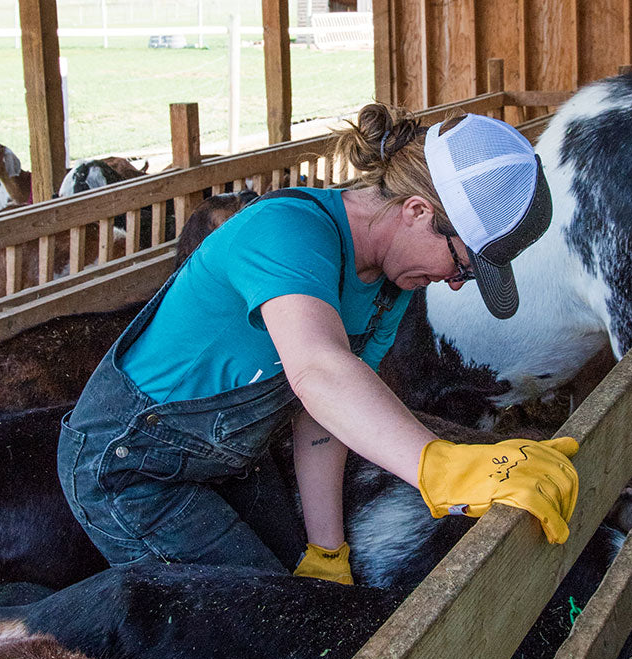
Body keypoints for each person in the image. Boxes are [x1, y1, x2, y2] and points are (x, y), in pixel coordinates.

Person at [57, 103, 580, 585]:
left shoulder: (388, 286)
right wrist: (441, 467)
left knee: (304, 593)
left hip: (228, 457)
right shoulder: (287, 230)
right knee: (260, 626)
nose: (459, 282)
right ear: (419, 211)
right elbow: (318, 370)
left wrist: (328, 550)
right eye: (464, 263)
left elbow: (327, 412)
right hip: (133, 463)